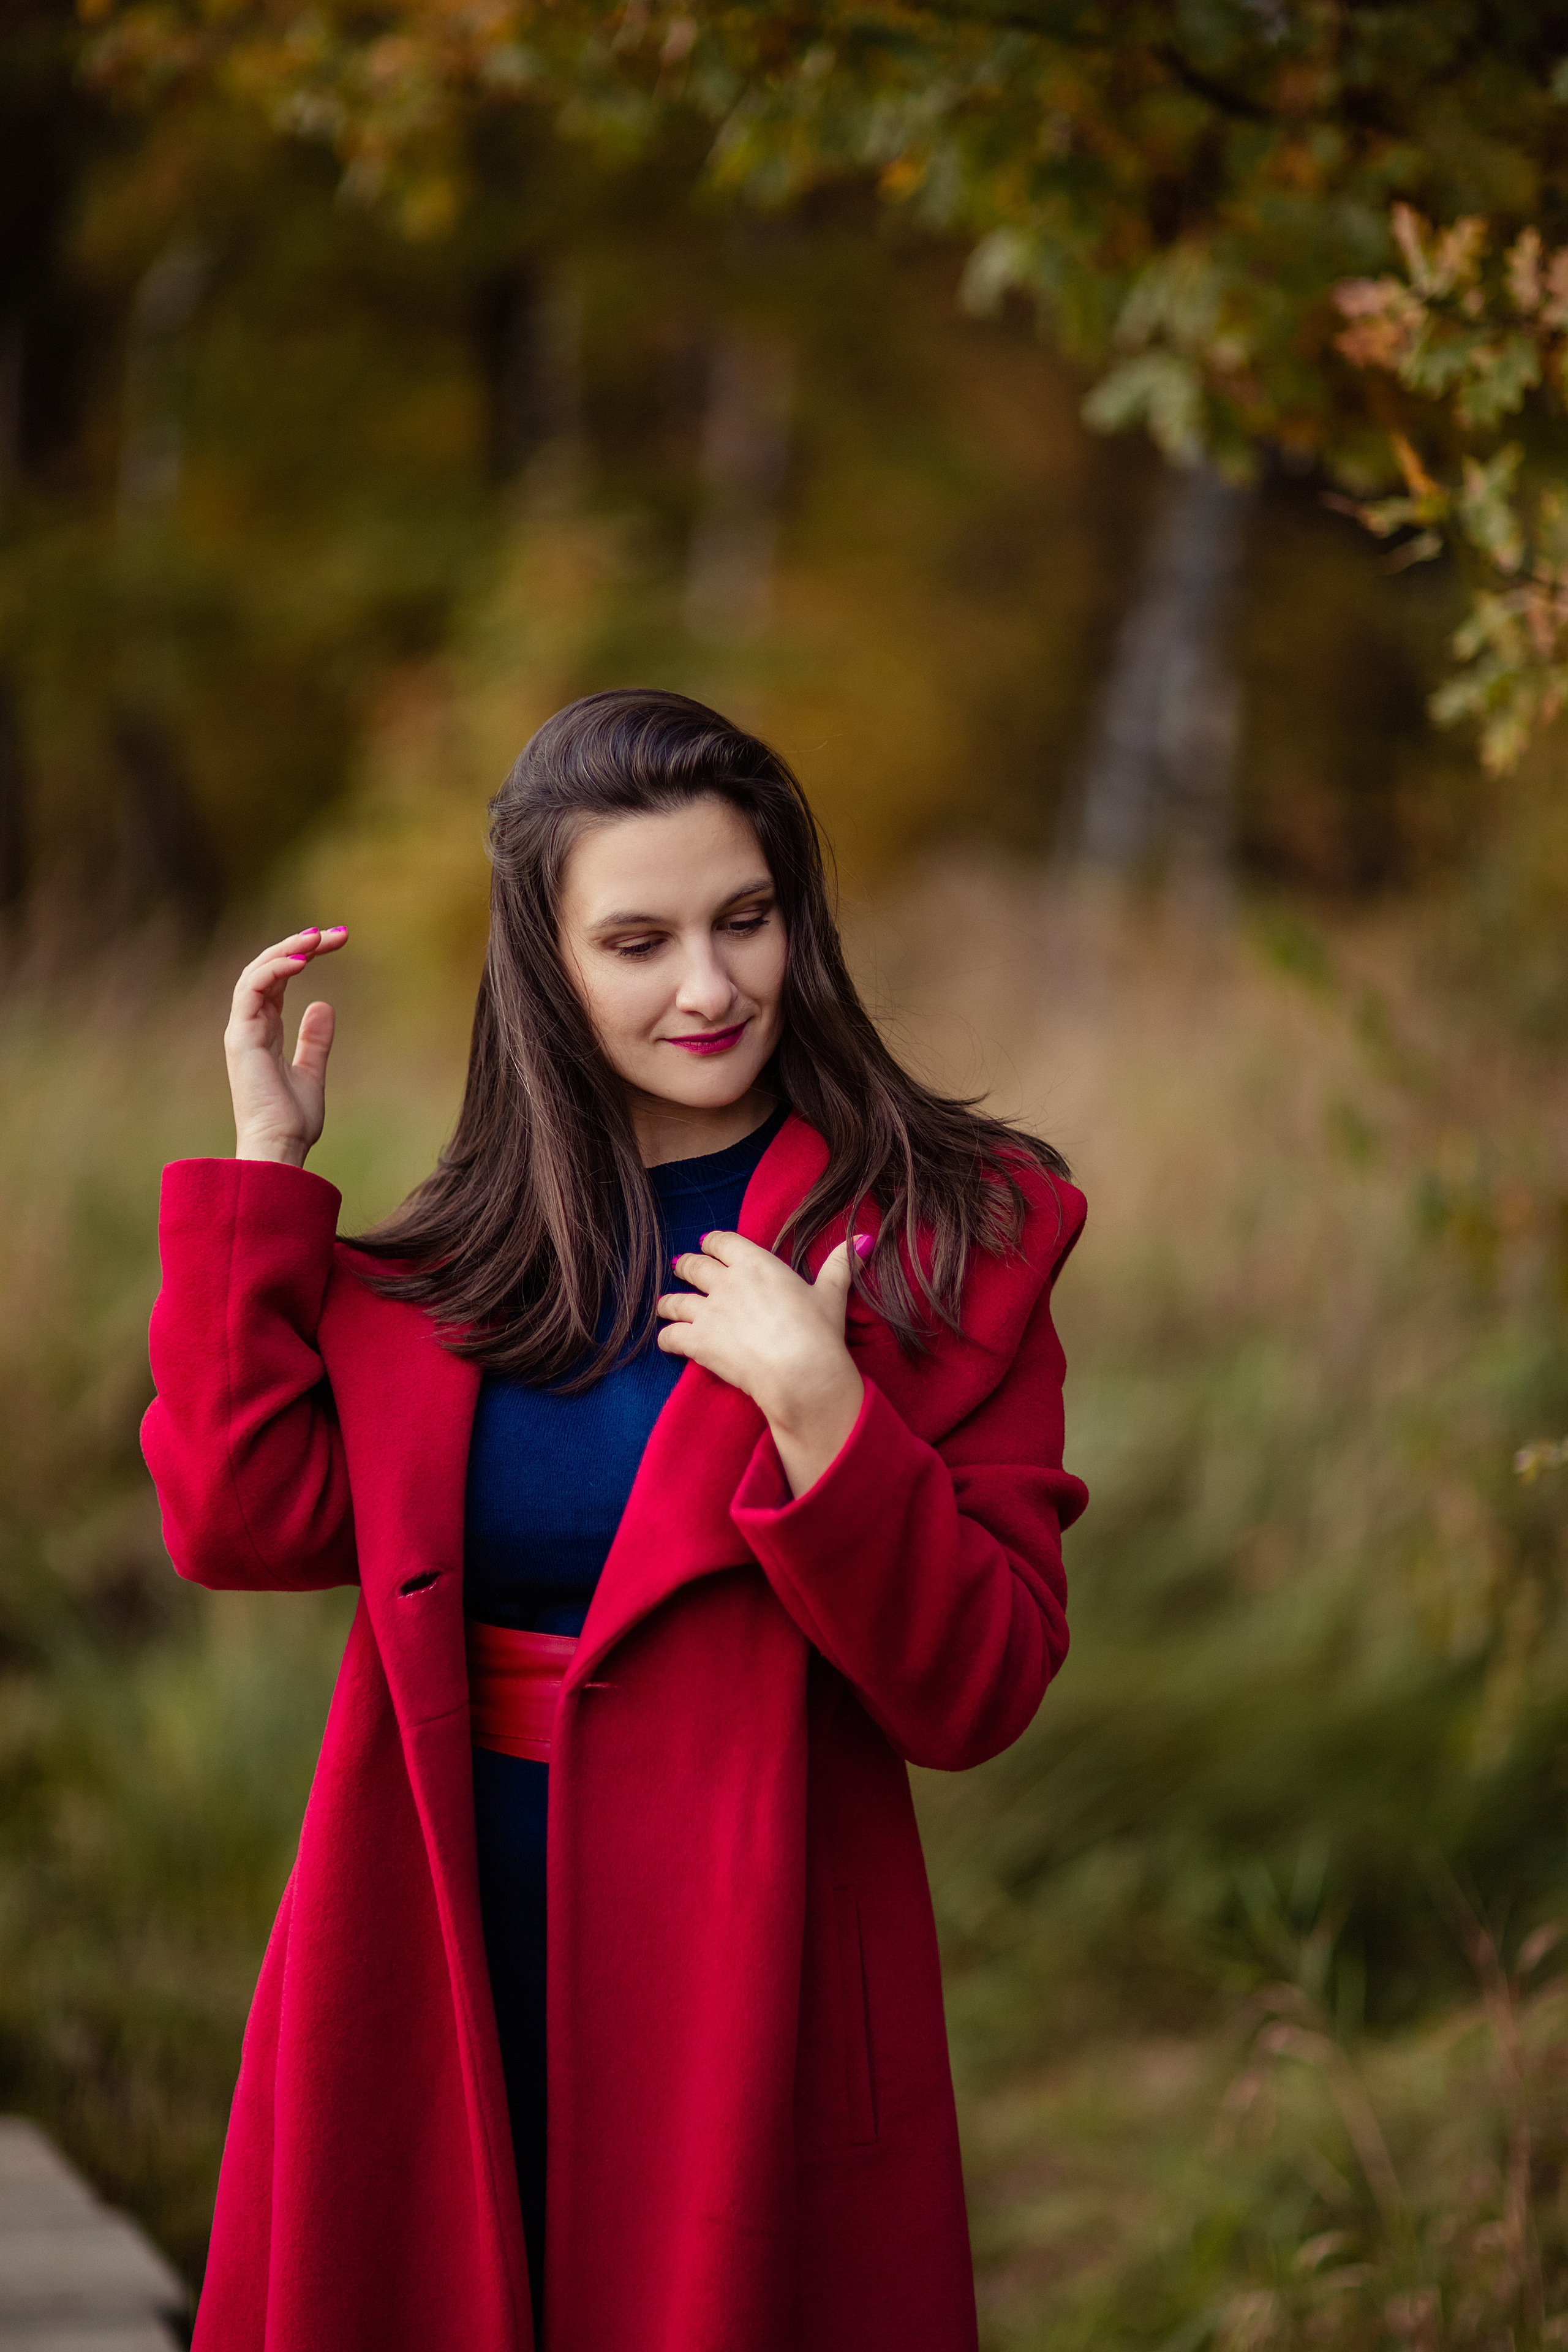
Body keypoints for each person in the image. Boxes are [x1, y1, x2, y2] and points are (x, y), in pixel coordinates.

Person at [141, 687, 1087, 2352]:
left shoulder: (951, 1232)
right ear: (551, 966)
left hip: (755, 1964)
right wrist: (263, 1186)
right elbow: (239, 1524)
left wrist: (827, 1418)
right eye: (639, 940)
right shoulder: (449, 1273)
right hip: (427, 1948)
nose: (710, 986)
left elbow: (981, 1688)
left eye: (746, 919)